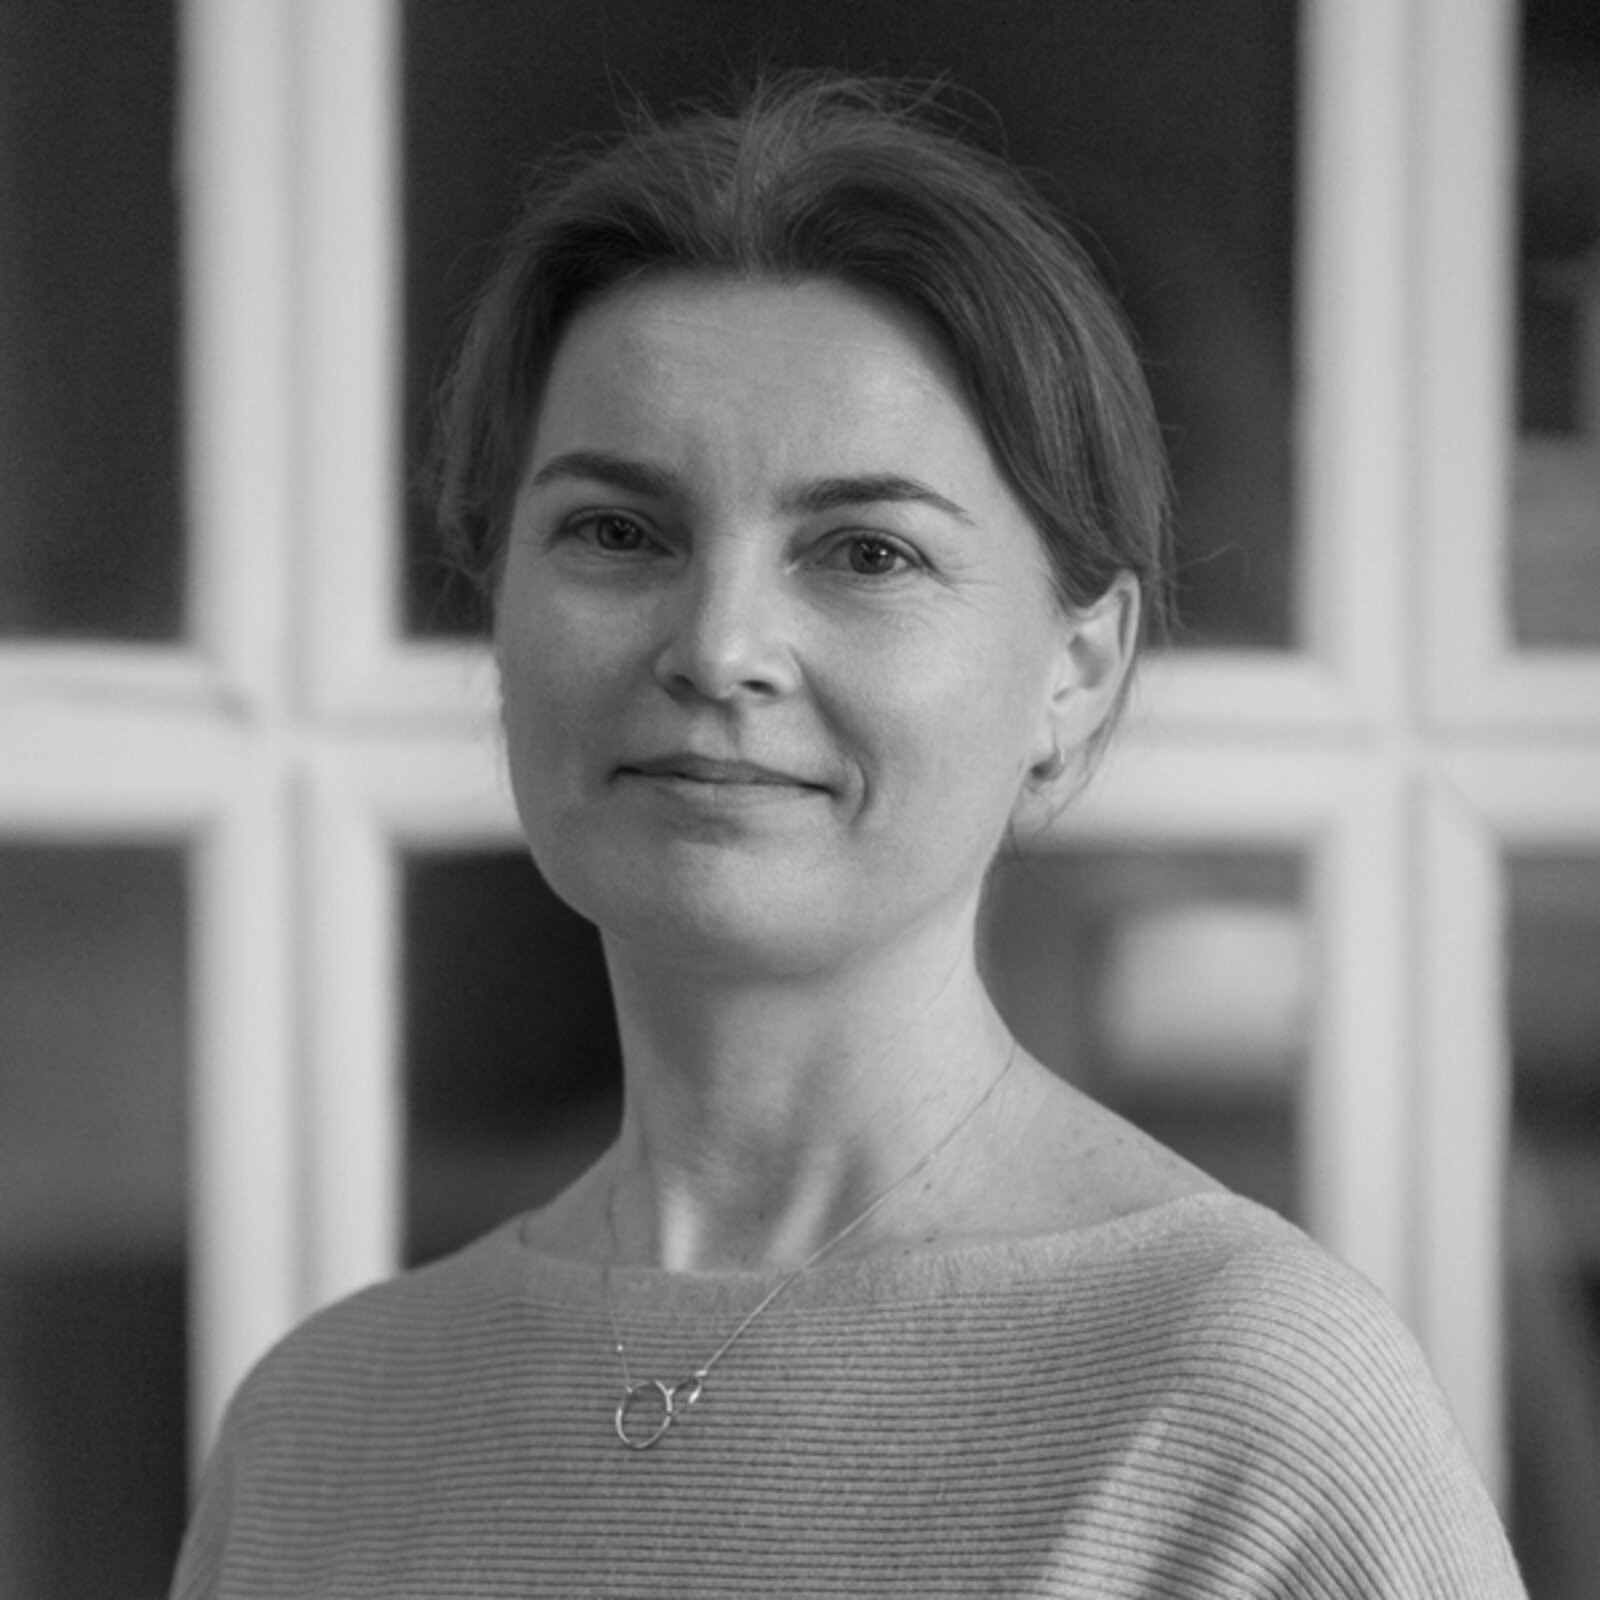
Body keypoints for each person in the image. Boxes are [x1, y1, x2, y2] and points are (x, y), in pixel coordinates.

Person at [172, 75, 1526, 1597]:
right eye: (616, 531)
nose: (718, 647)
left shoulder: (1247, 1407)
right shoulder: (319, 1427)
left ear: (1076, 673)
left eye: (867, 551)